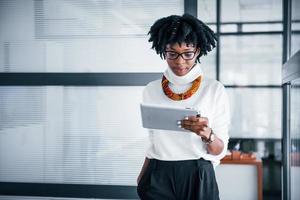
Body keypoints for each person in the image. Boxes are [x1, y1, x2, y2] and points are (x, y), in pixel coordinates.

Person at [137, 14, 230, 200]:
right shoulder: (151, 89)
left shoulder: (214, 89)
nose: (180, 61)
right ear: (163, 51)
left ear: (198, 51)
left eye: (188, 53)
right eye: (172, 53)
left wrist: (207, 134)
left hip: (198, 172)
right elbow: (154, 140)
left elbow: (220, 150)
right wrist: (143, 174)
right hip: (158, 171)